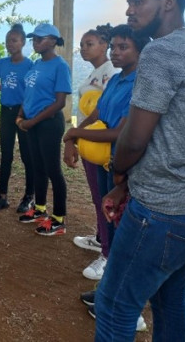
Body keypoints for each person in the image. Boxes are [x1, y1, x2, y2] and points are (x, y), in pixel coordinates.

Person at [95, 0, 185, 341]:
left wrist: (118, 170)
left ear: (168, 2)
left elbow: (134, 138)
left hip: (158, 212)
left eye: (138, 1)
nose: (129, 10)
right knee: (168, 301)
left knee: (114, 305)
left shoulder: (160, 53)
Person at [62, 24, 150, 331]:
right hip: (105, 163)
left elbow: (121, 130)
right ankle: (107, 295)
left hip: (124, 168)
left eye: (123, 47)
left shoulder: (139, 83)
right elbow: (99, 113)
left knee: (126, 233)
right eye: (114, 46)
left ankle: (132, 312)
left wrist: (75, 132)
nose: (116, 52)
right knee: (110, 225)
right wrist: (73, 136)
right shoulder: (116, 79)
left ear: (140, 49)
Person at [71, 24, 118, 279]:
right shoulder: (96, 73)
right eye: (82, 45)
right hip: (91, 142)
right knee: (96, 194)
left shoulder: (111, 72)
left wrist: (75, 134)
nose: (83, 49)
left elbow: (102, 112)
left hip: (102, 144)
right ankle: (101, 238)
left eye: (89, 44)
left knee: (104, 197)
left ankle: (108, 255)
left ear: (104, 45)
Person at [16, 23, 71, 236]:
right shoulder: (36, 65)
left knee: (52, 170)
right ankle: (39, 209)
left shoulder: (60, 66)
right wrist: (22, 115)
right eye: (34, 39)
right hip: (31, 121)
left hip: (48, 123)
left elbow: (59, 103)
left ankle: (58, 219)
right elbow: (28, 94)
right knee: (37, 167)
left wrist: (32, 121)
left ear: (53, 41)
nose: (35, 42)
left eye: (40, 38)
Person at [0, 23, 35, 213]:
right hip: (6, 112)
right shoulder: (2, 63)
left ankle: (29, 196)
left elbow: (32, 89)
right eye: (8, 41)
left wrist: (24, 107)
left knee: (26, 155)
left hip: (23, 113)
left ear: (23, 42)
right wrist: (3, 90)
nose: (10, 44)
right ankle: (2, 196)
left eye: (14, 40)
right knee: (6, 155)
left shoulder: (29, 65)